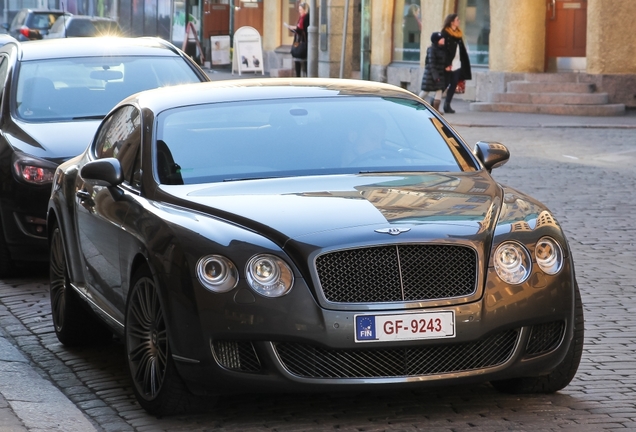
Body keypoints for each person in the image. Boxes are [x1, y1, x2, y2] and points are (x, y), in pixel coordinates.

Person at [440, 13, 472, 114]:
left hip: (458, 62)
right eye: (457, 20)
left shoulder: (458, 33)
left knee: (454, 84)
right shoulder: (445, 33)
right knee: (444, 85)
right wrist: (445, 64)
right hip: (449, 63)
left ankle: (447, 104)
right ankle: (434, 101)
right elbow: (442, 49)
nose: (459, 21)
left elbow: (460, 48)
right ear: (452, 22)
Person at [419, 32, 447, 112]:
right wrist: (436, 76)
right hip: (431, 74)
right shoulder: (431, 49)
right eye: (441, 39)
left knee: (439, 91)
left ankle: (436, 110)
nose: (443, 39)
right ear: (436, 40)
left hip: (439, 74)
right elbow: (431, 64)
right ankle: (415, 104)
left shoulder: (442, 49)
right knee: (425, 91)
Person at [284, 2, 309, 77]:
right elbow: (299, 28)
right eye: (299, 10)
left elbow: (304, 29)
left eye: (301, 9)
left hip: (303, 42)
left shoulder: (306, 18)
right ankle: (298, 76)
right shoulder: (301, 18)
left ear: (305, 10)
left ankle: (305, 76)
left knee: (304, 60)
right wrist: (292, 28)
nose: (299, 11)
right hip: (297, 41)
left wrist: (295, 28)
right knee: (296, 59)